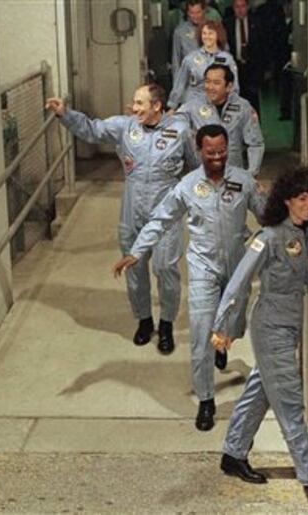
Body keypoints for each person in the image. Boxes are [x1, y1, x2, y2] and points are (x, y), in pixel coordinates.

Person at [210, 167, 308, 505]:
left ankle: (233, 453)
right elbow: (238, 283)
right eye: (302, 198)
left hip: (290, 327)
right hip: (270, 324)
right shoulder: (269, 237)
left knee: (262, 388)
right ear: (287, 200)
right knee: (289, 403)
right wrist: (224, 327)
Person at [112, 124, 265, 432]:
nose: (218, 157)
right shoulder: (186, 186)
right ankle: (206, 400)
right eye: (211, 153)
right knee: (200, 337)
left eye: (222, 151)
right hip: (203, 269)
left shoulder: (243, 182)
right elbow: (161, 220)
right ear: (199, 151)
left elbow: (267, 216)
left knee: (234, 325)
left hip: (237, 269)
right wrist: (137, 251)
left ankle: (223, 344)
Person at [45, 84, 196, 354]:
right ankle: (144, 320)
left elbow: (197, 167)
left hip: (166, 211)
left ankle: (166, 324)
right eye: (134, 102)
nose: (134, 108)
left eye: (140, 103)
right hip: (132, 208)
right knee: (134, 269)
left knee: (165, 269)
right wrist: (65, 114)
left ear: (157, 106)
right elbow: (92, 129)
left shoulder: (180, 131)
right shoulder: (125, 127)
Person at [178, 64, 264, 175]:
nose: (210, 87)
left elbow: (255, 143)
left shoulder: (243, 107)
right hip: (202, 177)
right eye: (207, 81)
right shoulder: (192, 106)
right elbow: (175, 126)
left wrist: (252, 173)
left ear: (229, 86)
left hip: (233, 174)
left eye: (216, 83)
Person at [168, 20, 239, 110]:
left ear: (218, 35)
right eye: (204, 33)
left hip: (219, 106)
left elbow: (234, 86)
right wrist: (172, 106)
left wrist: (232, 104)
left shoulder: (227, 59)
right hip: (194, 106)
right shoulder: (190, 58)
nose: (207, 37)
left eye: (210, 33)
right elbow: (180, 84)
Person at [223, 0, 264, 113]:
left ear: (248, 7)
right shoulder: (227, 24)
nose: (240, 10)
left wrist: (265, 69)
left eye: (243, 6)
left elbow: (263, 47)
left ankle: (254, 128)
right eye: (237, 7)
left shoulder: (257, 23)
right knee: (234, 101)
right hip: (234, 68)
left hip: (253, 69)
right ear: (233, 8)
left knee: (253, 102)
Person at [170, 0, 221, 84]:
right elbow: (176, 61)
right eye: (191, 13)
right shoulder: (180, 31)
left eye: (198, 12)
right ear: (187, 13)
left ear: (204, 11)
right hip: (189, 82)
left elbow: (224, 54)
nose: (195, 16)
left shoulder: (214, 28)